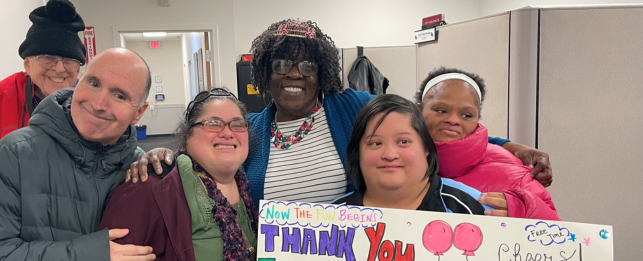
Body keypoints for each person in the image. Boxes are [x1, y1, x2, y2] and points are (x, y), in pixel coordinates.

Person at [130, 19, 552, 208]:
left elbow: (418, 127)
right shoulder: (252, 130)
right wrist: (159, 156)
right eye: (281, 65)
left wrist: (506, 145)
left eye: (307, 66)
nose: (294, 75)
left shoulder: (348, 105)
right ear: (265, 74)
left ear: (322, 73)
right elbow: (208, 159)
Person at [0, 48, 156, 261]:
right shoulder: (15, 154)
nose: (98, 103)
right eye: (93, 83)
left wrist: (165, 165)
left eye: (119, 95)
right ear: (79, 82)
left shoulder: (138, 171)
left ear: (138, 113)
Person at [74, 88, 264, 261]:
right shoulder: (150, 189)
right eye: (213, 123)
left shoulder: (247, 193)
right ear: (188, 134)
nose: (227, 132)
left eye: (237, 124)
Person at [0, 0, 87, 189]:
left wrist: (146, 156)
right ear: (27, 64)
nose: (60, 68)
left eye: (70, 59)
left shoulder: (93, 103)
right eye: (48, 57)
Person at [415, 67, 559, 220]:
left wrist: (525, 211)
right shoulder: (392, 159)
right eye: (441, 110)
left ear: (477, 118)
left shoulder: (514, 175)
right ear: (419, 110)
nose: (453, 120)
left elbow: (556, 231)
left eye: (466, 115)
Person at [332, 94, 486, 215]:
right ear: (357, 152)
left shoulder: (472, 207)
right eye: (376, 143)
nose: (390, 154)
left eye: (403, 141)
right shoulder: (331, 218)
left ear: (426, 146)